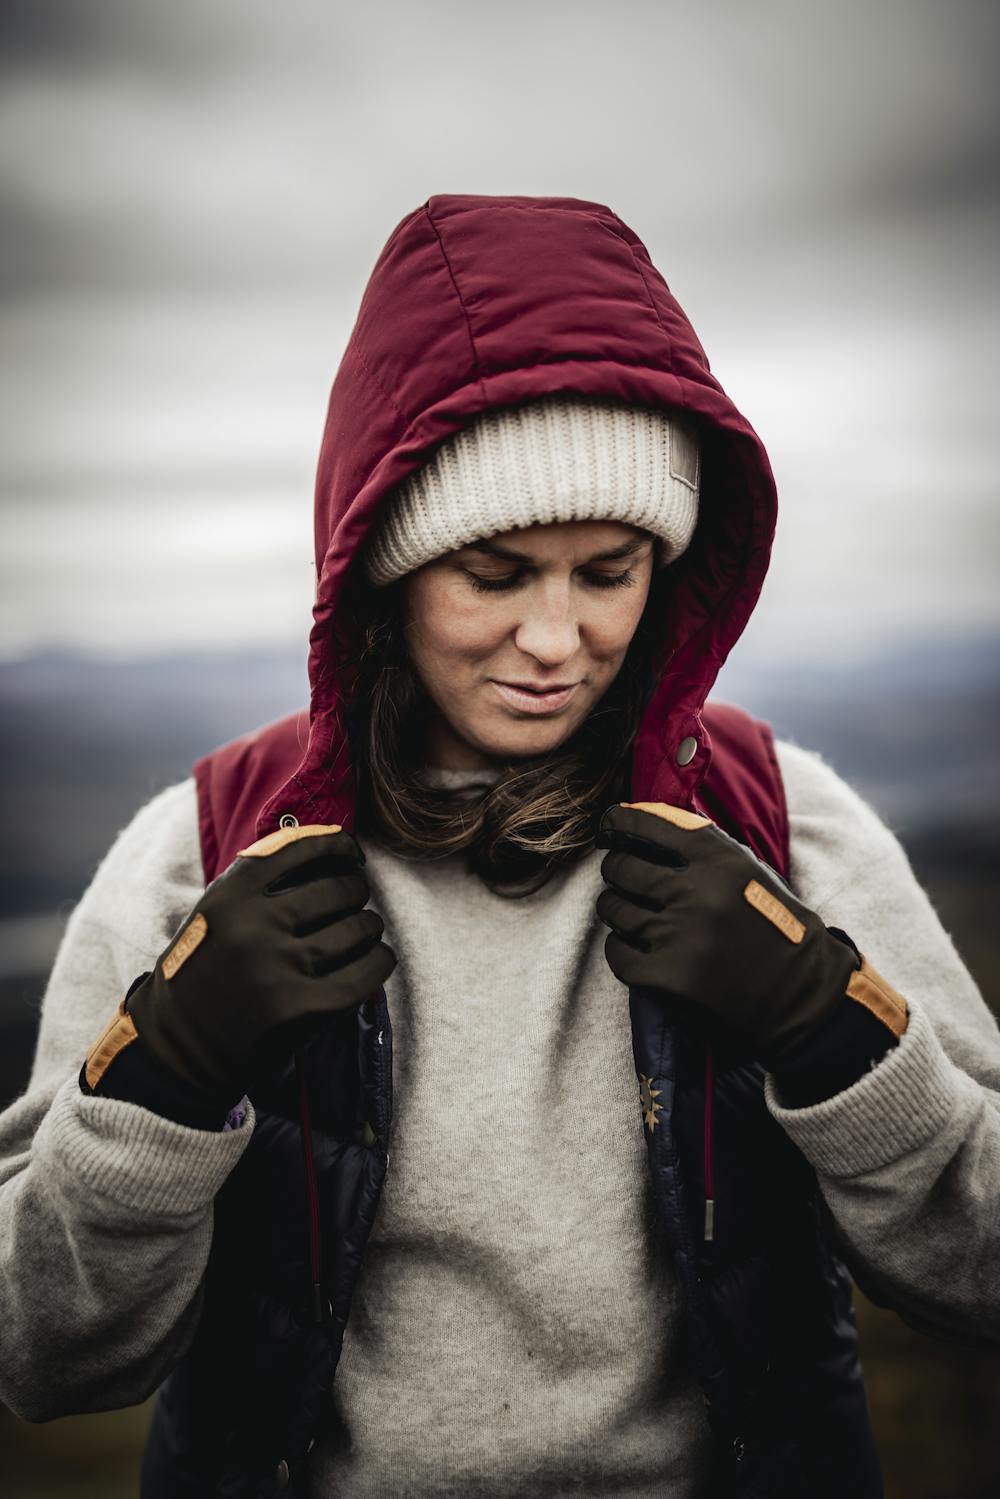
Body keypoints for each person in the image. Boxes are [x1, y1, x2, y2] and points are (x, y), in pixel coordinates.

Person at [1, 193, 998, 1499]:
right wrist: (170, 1068)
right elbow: (46, 1351)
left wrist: (830, 1027)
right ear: (384, 567)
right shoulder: (205, 851)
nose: (555, 640)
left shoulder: (778, 823)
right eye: (497, 571)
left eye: (610, 570)